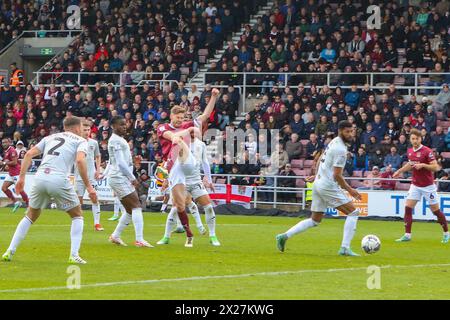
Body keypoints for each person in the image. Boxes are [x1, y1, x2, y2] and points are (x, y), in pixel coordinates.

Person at [2, 117, 97, 264]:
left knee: (30, 215)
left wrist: (21, 179)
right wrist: (89, 187)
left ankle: (9, 251)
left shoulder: (50, 137)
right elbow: (79, 160)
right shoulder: (80, 141)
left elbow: (28, 154)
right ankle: (74, 255)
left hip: (40, 177)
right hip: (58, 178)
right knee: (77, 215)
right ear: (77, 128)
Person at [276, 121, 363, 256]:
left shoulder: (334, 141)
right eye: (348, 131)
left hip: (319, 183)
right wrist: (351, 190)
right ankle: (345, 248)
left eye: (352, 131)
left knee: (315, 220)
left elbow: (322, 156)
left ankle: (284, 236)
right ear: (340, 131)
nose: (351, 134)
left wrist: (316, 175)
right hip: (328, 185)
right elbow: (337, 175)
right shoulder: (340, 149)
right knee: (353, 213)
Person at [157, 88, 219, 247]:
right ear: (171, 116)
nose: (179, 120)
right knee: (177, 207)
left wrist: (213, 97)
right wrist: (187, 131)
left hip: (191, 173)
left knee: (209, 206)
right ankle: (168, 236)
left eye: (182, 118)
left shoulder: (196, 139)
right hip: (175, 170)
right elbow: (172, 136)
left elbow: (204, 116)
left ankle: (212, 236)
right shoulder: (163, 127)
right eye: (177, 118)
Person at [393, 128, 449, 243]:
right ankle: (407, 235)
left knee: (436, 211)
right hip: (415, 185)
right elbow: (410, 164)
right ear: (410, 139)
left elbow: (436, 167)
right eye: (413, 139)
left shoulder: (427, 151)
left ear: (421, 139)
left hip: (428, 186)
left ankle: (446, 233)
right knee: (408, 208)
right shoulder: (410, 151)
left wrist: (423, 165)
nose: (414, 141)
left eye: (417, 139)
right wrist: (399, 171)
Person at [107, 115, 153, 248]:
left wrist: (133, 161)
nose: (124, 126)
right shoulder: (115, 140)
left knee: (129, 210)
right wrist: (132, 178)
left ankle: (115, 236)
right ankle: (139, 240)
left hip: (119, 177)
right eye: (121, 124)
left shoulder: (119, 140)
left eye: (125, 124)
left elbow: (120, 161)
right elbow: (120, 163)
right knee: (136, 206)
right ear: (113, 126)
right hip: (119, 177)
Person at [74, 120, 103, 231]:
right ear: (80, 131)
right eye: (84, 130)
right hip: (79, 176)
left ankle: (97, 223)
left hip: (91, 176)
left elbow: (98, 156)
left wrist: (98, 169)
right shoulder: (75, 143)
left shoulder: (93, 143)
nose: (87, 132)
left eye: (88, 130)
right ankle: (79, 222)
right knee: (78, 200)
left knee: (94, 197)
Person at [0, 138, 29, 212]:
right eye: (3, 143)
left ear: (9, 142)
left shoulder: (12, 150)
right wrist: (2, 167)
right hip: (11, 173)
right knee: (4, 188)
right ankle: (16, 202)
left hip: (17, 173)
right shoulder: (6, 151)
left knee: (20, 190)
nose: (4, 144)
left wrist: (3, 163)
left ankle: (29, 206)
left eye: (5, 142)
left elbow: (15, 162)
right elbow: (6, 162)